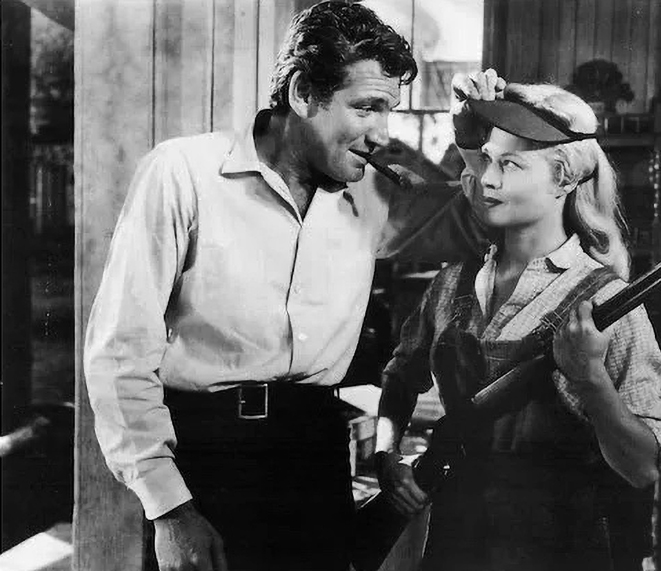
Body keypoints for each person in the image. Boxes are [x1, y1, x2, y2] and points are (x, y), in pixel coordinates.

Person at [83, 3, 488, 570]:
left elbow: (486, 225)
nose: (381, 133)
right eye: (366, 107)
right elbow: (121, 353)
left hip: (315, 458)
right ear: (302, 93)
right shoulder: (183, 173)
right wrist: (170, 510)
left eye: (389, 110)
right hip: (204, 459)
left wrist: (471, 144)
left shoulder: (375, 192)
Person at [374, 70, 661, 571]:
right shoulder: (451, 283)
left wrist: (591, 380)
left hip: (558, 551)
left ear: (564, 178)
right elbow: (401, 376)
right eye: (487, 160)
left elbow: (643, 468)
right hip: (454, 546)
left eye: (510, 165)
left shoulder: (608, 303)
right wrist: (387, 457)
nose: (486, 179)